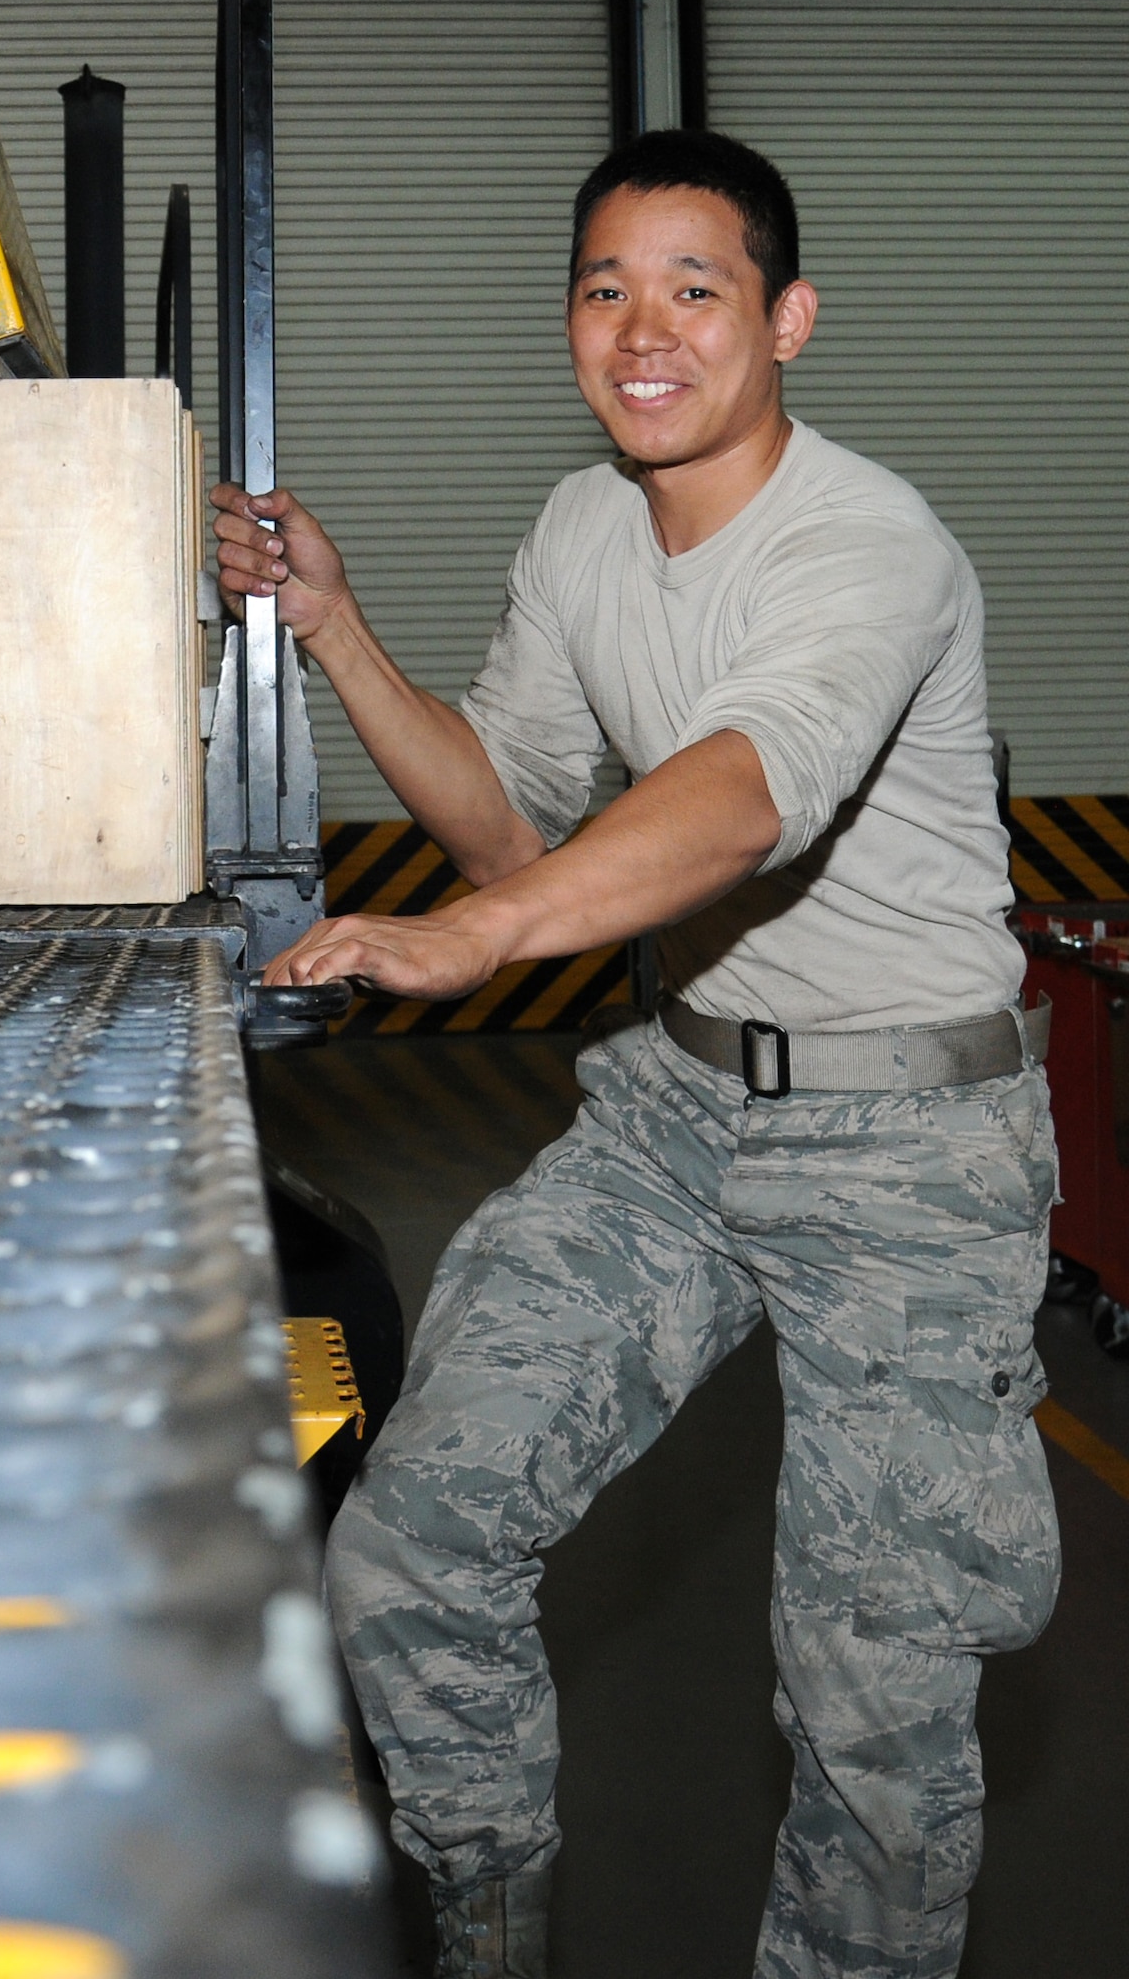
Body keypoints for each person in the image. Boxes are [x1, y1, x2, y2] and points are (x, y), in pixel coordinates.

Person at [212, 129, 1059, 1979]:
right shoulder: (586, 526)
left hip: (912, 1149)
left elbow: (747, 798)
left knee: (875, 1722)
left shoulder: (867, 543)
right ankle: (491, 1935)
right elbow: (514, 830)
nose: (645, 328)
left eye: (698, 286)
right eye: (607, 287)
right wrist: (335, 623)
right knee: (407, 1550)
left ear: (789, 319)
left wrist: (475, 943)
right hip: (681, 1109)